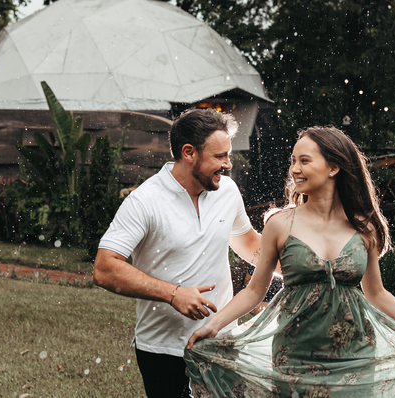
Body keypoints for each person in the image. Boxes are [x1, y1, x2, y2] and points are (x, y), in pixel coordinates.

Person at [184, 126, 395, 397]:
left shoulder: (364, 228)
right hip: (294, 354)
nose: (294, 169)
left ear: (333, 167)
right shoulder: (280, 224)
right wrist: (214, 324)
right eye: (293, 161)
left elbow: (377, 293)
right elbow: (255, 291)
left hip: (355, 353)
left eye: (304, 160)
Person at [94, 108, 269, 397]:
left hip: (221, 340)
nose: (227, 164)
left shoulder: (227, 191)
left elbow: (251, 246)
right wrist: (173, 293)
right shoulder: (145, 201)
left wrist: (300, 266)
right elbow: (104, 268)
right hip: (164, 349)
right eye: (219, 156)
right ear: (189, 153)